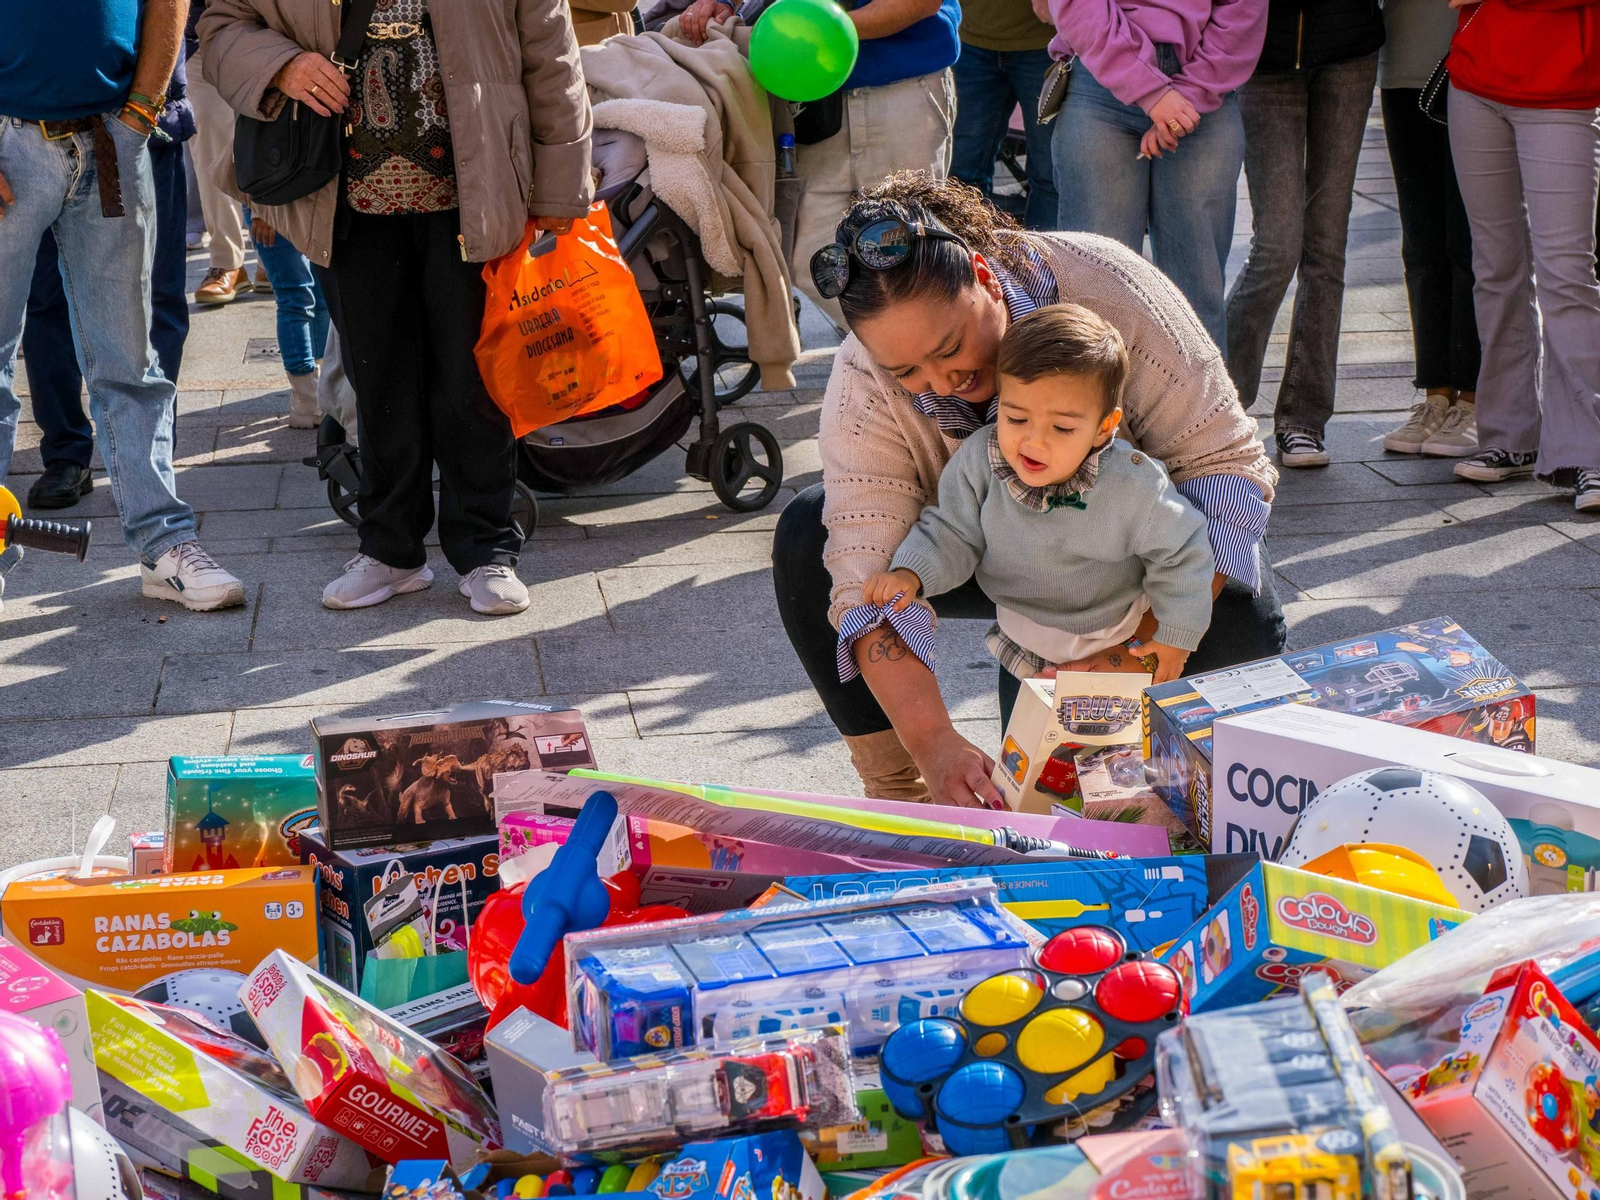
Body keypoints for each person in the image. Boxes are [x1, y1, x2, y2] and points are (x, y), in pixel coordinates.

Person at [771, 172, 1281, 807]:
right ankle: (900, 788)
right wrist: (934, 744)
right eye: (907, 371)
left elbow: (1223, 462)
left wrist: (1137, 651)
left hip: (1135, 562)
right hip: (980, 553)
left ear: (984, 277)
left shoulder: (1106, 285)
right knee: (807, 530)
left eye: (951, 347)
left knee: (1241, 618)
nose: (941, 381)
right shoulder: (863, 384)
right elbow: (864, 580)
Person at [202, 0, 595, 614]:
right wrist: (282, 66)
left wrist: (561, 186)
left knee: (474, 383)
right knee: (377, 380)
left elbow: (552, 56)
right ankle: (390, 549)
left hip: (478, 191)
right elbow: (222, 24)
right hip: (343, 198)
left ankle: (487, 548)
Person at [0, 0, 245, 610]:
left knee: (131, 361)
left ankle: (165, 543)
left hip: (112, 134)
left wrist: (139, 112)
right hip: (8, 138)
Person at [865, 304, 1215, 696]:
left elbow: (1182, 552)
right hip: (1022, 638)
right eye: (1016, 419)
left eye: (1062, 427)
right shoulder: (981, 461)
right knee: (1023, 752)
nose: (1034, 441)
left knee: (1113, 752)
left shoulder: (1134, 485)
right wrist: (910, 574)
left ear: (1103, 428)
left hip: (1111, 635)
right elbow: (951, 530)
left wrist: (1175, 637)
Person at [22, 49, 196, 511]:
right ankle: (65, 452)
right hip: (33, 127)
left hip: (139, 120)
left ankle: (151, 457)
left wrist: (142, 107)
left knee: (154, 298)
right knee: (45, 301)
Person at [1442, 0, 1600, 508]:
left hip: (1564, 88)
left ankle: (1589, 453)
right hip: (1475, 82)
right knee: (1495, 269)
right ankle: (1509, 439)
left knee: (1567, 275)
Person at [1045, 0, 1267, 348]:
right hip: (1098, 79)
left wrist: (1186, 96)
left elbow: (1244, 9)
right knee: (1094, 298)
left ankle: (1201, 405)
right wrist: (1151, 91)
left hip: (1205, 84)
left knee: (1196, 302)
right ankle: (1095, 404)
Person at [1222, 0, 1385, 468]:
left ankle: (1304, 420)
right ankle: (1219, 409)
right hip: (1262, 60)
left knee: (1326, 246)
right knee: (1276, 248)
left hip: (1348, 48)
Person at [786, 0, 961, 329]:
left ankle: (911, 366)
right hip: (813, 95)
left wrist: (825, 30)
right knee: (811, 259)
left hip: (902, 83)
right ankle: (890, 360)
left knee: (913, 260)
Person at [1375, 0, 1481, 457]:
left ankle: (1476, 399)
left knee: (1470, 244)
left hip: (1479, 67)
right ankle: (1436, 395)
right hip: (1404, 64)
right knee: (1421, 245)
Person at [948, 0, 1058, 229]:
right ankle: (967, 262)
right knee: (961, 174)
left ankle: (1045, 264)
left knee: (1051, 178)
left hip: (1047, 44)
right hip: (970, 38)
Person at [186, 0, 257, 305]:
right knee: (209, 149)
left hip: (262, 32)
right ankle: (227, 262)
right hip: (196, 37)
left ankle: (275, 260)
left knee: (273, 138)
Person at [248, 214, 328, 429]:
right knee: (296, 297)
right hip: (271, 199)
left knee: (320, 294)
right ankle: (308, 399)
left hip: (306, 200)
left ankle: (318, 391)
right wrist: (261, 209)